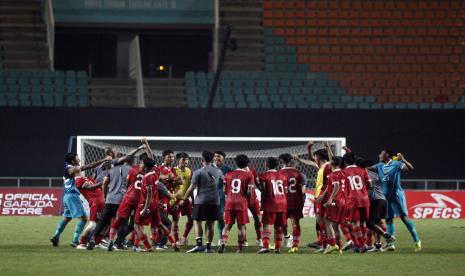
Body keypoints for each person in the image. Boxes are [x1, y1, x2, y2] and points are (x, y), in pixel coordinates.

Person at [87, 145, 144, 250]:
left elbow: (104, 183)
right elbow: (130, 184)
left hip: (110, 199)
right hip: (123, 200)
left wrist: (104, 196)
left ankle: (92, 239)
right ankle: (119, 243)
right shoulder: (132, 170)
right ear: (132, 161)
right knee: (123, 223)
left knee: (102, 221)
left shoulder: (111, 170)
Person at [50, 153, 111, 247]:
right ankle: (75, 241)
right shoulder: (71, 169)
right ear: (73, 160)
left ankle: (56, 236)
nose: (79, 158)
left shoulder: (69, 170)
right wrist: (104, 160)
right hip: (72, 196)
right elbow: (89, 166)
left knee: (67, 218)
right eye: (77, 157)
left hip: (67, 196)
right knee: (84, 219)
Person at [371, 149, 421, 252]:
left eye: (381, 153)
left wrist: (403, 160)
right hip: (385, 197)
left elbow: (410, 168)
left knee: (404, 218)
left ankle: (417, 241)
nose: (379, 155)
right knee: (389, 219)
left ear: (387, 155)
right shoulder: (379, 165)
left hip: (397, 195)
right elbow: (368, 168)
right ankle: (391, 244)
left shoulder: (396, 164)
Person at [133, 158, 180, 252]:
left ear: (146, 167)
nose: (140, 165)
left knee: (136, 225)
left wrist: (145, 208)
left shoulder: (147, 178)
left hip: (146, 204)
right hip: (155, 204)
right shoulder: (155, 173)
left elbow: (149, 194)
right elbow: (152, 160)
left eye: (141, 163)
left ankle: (148, 247)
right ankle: (173, 242)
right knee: (160, 224)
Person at [181, 151, 224, 253]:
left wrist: (184, 199)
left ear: (202, 160)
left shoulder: (198, 172)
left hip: (201, 200)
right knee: (211, 224)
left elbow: (191, 188)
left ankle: (199, 246)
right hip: (214, 201)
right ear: (212, 159)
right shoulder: (218, 171)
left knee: (197, 221)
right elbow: (223, 182)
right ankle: (208, 248)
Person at [294, 141, 331, 250]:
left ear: (319, 157)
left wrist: (328, 147)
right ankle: (323, 243)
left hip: (323, 196)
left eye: (315, 156)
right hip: (318, 196)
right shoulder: (320, 165)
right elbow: (310, 159)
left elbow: (330, 183)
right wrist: (309, 148)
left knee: (325, 221)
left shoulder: (328, 166)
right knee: (319, 222)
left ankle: (329, 243)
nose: (314, 158)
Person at [106, 153, 146, 251]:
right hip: (140, 200)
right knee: (138, 223)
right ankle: (135, 246)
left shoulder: (133, 170)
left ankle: (111, 240)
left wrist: (129, 189)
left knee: (119, 218)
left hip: (128, 197)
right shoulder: (149, 173)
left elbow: (128, 182)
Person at [356, 157, 395, 253]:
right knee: (377, 222)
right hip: (382, 200)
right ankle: (378, 246)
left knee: (369, 223)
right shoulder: (375, 174)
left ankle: (388, 237)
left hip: (375, 201)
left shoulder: (366, 175)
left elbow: (369, 188)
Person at [218, 154, 254, 254]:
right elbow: (250, 192)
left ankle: (223, 242)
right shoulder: (249, 175)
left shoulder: (228, 174)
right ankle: (239, 248)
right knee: (241, 226)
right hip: (241, 203)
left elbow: (225, 190)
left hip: (229, 202)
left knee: (227, 225)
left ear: (235, 163)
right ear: (247, 164)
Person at [257, 157, 288, 254]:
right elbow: (286, 191)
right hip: (282, 202)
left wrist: (262, 204)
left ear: (266, 164)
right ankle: (277, 248)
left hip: (271, 202)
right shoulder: (283, 176)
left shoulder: (264, 176)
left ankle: (265, 246)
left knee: (266, 225)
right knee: (278, 226)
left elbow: (264, 191)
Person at [342, 152, 371, 253]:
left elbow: (343, 188)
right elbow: (369, 184)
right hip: (365, 199)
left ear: (345, 162)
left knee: (355, 223)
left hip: (353, 199)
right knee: (363, 223)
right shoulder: (363, 170)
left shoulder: (344, 172)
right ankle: (364, 243)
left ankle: (361, 245)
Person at [317, 156, 346, 254]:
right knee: (336, 226)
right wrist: (322, 196)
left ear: (332, 164)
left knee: (327, 220)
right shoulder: (343, 172)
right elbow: (330, 187)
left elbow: (336, 186)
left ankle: (333, 244)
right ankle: (340, 248)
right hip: (344, 201)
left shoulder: (333, 174)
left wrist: (330, 199)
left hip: (335, 201)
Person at [279, 153, 305, 253]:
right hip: (295, 201)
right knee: (295, 223)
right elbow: (302, 191)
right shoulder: (298, 173)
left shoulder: (279, 173)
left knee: (282, 223)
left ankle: (285, 239)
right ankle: (295, 245)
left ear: (282, 161)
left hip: (283, 202)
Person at [74, 176, 105, 249]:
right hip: (95, 202)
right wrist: (103, 182)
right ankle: (81, 243)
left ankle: (97, 243)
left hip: (101, 201)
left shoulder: (88, 178)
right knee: (92, 224)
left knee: (104, 224)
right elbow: (91, 187)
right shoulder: (78, 180)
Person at [174, 152, 194, 246]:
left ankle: (184, 237)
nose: (185, 161)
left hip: (186, 199)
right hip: (175, 199)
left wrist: (192, 200)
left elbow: (191, 186)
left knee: (191, 219)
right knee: (175, 219)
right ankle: (176, 240)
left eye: (186, 159)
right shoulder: (173, 170)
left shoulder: (190, 171)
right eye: (183, 159)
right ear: (178, 160)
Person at [213, 151, 233, 245]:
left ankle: (221, 238)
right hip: (209, 195)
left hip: (221, 196)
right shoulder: (209, 168)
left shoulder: (228, 169)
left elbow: (231, 182)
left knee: (220, 217)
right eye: (215, 156)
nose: (217, 158)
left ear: (223, 158)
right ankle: (209, 241)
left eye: (219, 156)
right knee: (209, 219)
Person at [244, 165, 262, 247]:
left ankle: (259, 238)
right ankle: (244, 241)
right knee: (242, 221)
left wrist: (263, 192)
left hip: (253, 199)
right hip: (242, 199)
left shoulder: (252, 170)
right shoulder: (236, 171)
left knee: (258, 219)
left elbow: (257, 183)